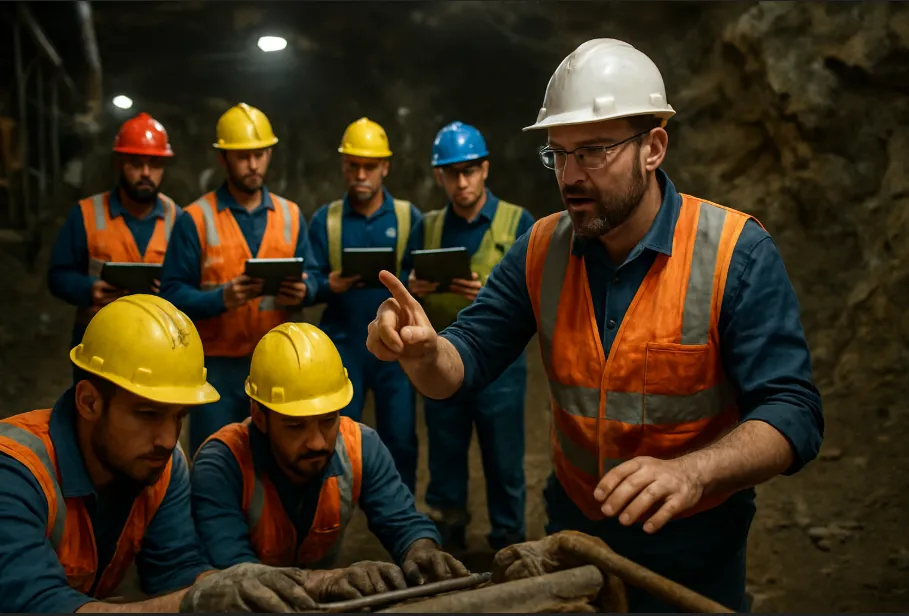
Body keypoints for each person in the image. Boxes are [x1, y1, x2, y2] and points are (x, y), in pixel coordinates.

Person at [365, 39, 824, 612]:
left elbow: (793, 411)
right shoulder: (540, 250)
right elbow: (462, 363)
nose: (570, 176)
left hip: (695, 545)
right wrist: (422, 350)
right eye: (558, 154)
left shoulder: (734, 253)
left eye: (594, 152)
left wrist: (693, 473)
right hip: (577, 535)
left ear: (654, 147)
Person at [190, 321, 469, 589]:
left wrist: (422, 549)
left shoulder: (360, 446)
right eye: (295, 426)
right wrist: (324, 582)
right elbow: (233, 578)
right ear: (259, 417)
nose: (316, 442)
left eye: (327, 421)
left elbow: (404, 523)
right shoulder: (222, 464)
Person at [0, 294, 222, 612]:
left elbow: (175, 571)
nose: (169, 438)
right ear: (89, 402)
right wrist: (195, 600)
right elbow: (36, 604)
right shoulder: (14, 469)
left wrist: (241, 584)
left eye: (179, 416)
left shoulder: (162, 465)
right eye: (148, 414)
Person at [401, 121, 535, 552]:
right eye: (453, 173)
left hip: (502, 367)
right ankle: (449, 542)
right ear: (439, 176)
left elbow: (538, 291)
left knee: (504, 462)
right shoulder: (428, 227)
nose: (463, 182)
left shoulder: (519, 222)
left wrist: (495, 294)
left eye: (471, 170)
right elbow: (406, 277)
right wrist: (414, 288)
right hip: (441, 356)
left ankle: (509, 544)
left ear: (486, 169)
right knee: (445, 458)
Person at [160, 102, 321, 454]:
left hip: (277, 365)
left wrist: (304, 290)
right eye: (243, 156)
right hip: (216, 367)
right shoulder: (195, 218)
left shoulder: (291, 215)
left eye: (260, 154)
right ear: (223, 159)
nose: (253, 165)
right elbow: (171, 296)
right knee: (213, 458)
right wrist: (221, 299)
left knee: (276, 462)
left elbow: (315, 276)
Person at [308, 117, 421, 493]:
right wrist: (329, 284)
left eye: (369, 166)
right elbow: (310, 279)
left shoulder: (408, 217)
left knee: (401, 435)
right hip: (343, 344)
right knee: (336, 433)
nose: (361, 174)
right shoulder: (326, 220)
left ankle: (401, 508)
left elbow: (420, 270)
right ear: (343, 166)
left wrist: (415, 285)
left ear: (385, 167)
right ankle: (333, 507)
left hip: (396, 347)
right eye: (353, 165)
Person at [48, 112, 180, 379]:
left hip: (159, 347)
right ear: (120, 163)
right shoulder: (85, 214)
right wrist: (90, 289)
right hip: (98, 346)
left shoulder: (180, 219)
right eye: (136, 163)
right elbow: (58, 276)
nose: (146, 173)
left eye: (154, 164)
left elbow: (191, 283)